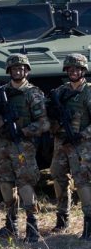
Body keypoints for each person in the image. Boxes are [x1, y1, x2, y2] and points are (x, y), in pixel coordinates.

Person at [0, 54, 49, 242]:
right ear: (9, 71)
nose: (18, 71)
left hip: (23, 145)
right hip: (3, 144)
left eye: (21, 68)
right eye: (14, 69)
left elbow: (44, 123)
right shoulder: (0, 93)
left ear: (27, 71)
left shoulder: (33, 93)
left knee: (25, 183)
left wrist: (23, 131)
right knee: (4, 182)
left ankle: (32, 225)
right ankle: (10, 224)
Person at [47, 54, 91, 235]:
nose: (73, 72)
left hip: (82, 144)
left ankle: (89, 223)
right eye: (70, 69)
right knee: (57, 176)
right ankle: (62, 218)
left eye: (77, 69)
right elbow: (48, 113)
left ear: (83, 70)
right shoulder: (60, 91)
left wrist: (83, 134)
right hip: (61, 143)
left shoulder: (88, 91)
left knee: (82, 181)